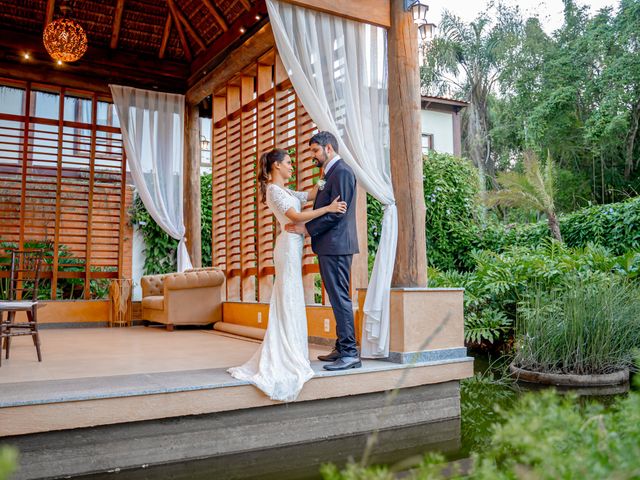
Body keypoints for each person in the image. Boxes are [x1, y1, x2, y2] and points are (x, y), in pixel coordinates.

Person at [228, 148, 347, 402]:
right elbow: (295, 216)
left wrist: (324, 172)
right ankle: (287, 354)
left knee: (293, 298)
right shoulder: (273, 190)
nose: (292, 167)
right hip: (287, 247)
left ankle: (294, 350)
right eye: (288, 163)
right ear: (276, 167)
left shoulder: (286, 191)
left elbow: (308, 194)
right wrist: (328, 208)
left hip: (294, 247)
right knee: (288, 297)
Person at [285, 131, 361, 371]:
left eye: (315, 151)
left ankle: (350, 353)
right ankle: (341, 346)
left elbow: (338, 212)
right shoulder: (326, 175)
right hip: (329, 245)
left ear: (329, 148)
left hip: (337, 245)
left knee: (340, 297)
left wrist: (306, 229)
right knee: (336, 296)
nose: (313, 156)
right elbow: (317, 196)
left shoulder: (343, 172)